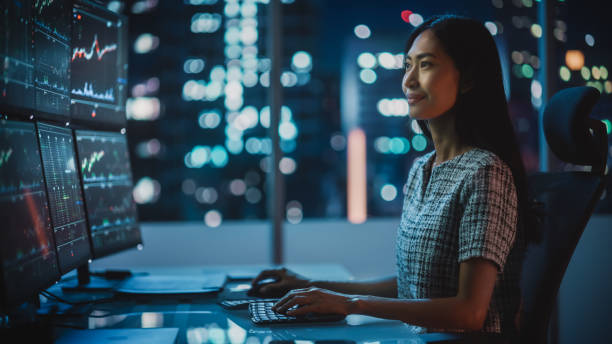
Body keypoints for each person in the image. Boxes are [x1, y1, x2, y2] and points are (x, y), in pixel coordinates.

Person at [251, 15, 535, 337]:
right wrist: (310, 285)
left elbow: (469, 312)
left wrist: (352, 304)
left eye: (425, 65)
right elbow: (414, 284)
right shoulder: (421, 168)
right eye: (408, 66)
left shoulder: (486, 173)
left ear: (468, 79)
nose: (408, 81)